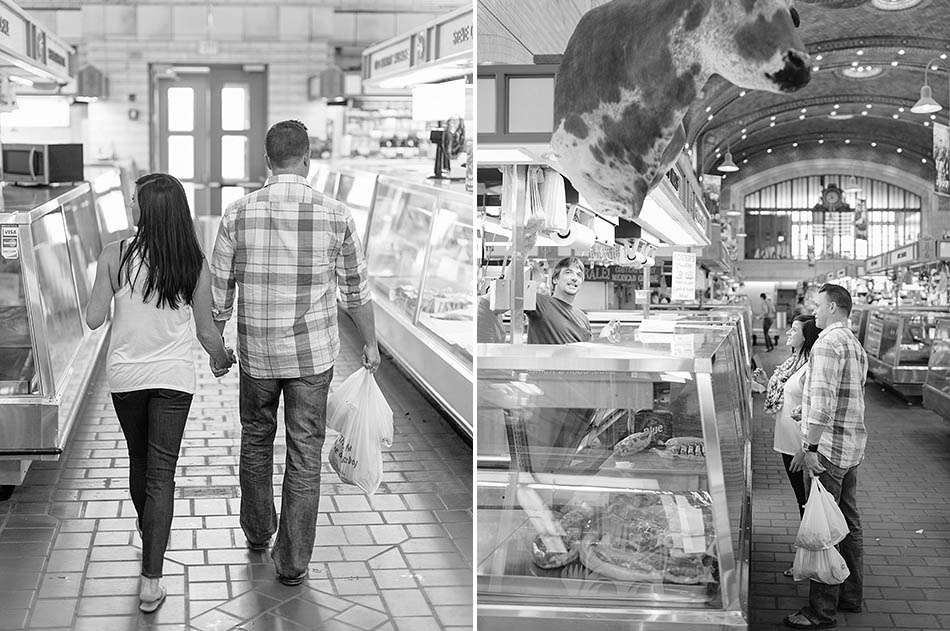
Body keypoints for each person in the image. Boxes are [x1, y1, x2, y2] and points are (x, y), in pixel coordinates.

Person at [210, 120, 380, 586]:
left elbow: (219, 289)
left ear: (267, 161)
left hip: (258, 354)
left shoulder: (237, 213)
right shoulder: (336, 213)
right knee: (305, 452)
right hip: (312, 358)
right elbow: (356, 291)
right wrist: (370, 343)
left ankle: (258, 531)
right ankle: (293, 563)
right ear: (307, 159)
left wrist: (218, 340)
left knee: (256, 437)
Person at [85, 173, 236, 613]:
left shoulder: (116, 254)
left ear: (146, 210)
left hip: (127, 379)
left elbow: (94, 319)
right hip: (173, 380)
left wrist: (97, 287)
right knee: (162, 474)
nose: (130, 207)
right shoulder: (192, 260)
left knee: (140, 462)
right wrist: (221, 358)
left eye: (134, 201)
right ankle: (152, 579)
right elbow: (207, 332)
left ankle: (150, 538)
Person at [784, 284, 868, 630]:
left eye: (817, 305)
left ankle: (821, 610)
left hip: (828, 451)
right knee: (847, 523)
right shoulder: (852, 342)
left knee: (822, 529)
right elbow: (847, 391)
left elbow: (823, 402)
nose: (813, 310)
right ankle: (851, 595)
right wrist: (808, 409)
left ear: (833, 307)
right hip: (851, 447)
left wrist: (810, 448)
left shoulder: (827, 343)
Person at [757, 315, 821, 576]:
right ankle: (807, 558)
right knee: (802, 501)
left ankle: (811, 561)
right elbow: (785, 396)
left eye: (794, 330)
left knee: (808, 504)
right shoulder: (793, 363)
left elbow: (815, 409)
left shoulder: (810, 367)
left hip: (800, 446)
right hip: (787, 443)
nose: (787, 333)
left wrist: (806, 449)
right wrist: (764, 384)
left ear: (806, 336)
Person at [526, 256, 591, 344]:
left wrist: (606, 337)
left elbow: (587, 351)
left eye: (579, 275)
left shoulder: (583, 318)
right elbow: (509, 292)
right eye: (568, 272)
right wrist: (520, 253)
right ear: (555, 279)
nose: (574, 278)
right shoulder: (540, 303)